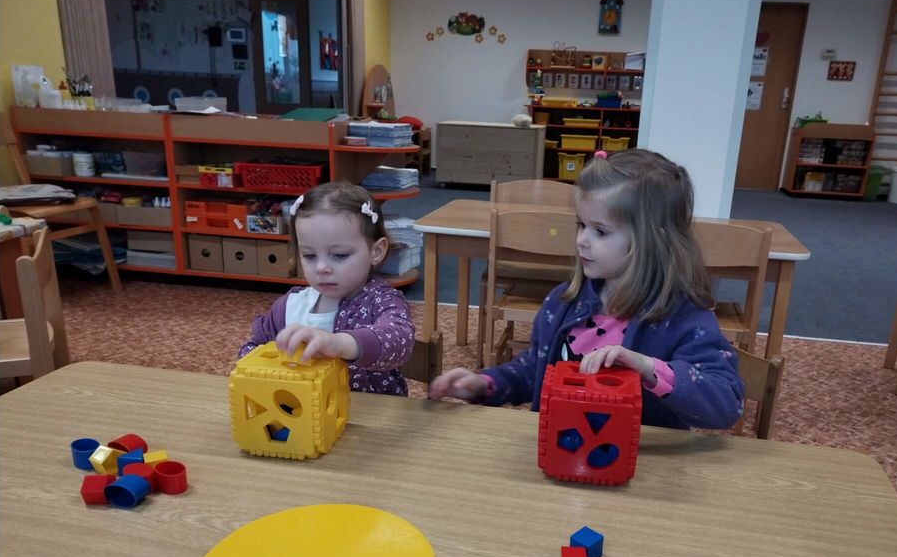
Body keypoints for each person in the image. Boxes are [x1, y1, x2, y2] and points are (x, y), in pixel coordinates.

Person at [428, 149, 743, 429]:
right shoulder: (563, 302)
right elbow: (534, 371)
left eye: (600, 231)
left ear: (652, 241)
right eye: (581, 225)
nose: (581, 240)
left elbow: (726, 402)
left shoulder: (684, 316)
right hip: (559, 454)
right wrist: (485, 384)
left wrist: (647, 368)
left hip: (642, 465)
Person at [239, 181, 414, 395]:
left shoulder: (382, 300)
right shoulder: (290, 305)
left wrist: (339, 343)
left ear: (376, 252)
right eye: (309, 255)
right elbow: (254, 348)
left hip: (370, 411)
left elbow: (399, 340)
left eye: (339, 255)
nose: (321, 267)